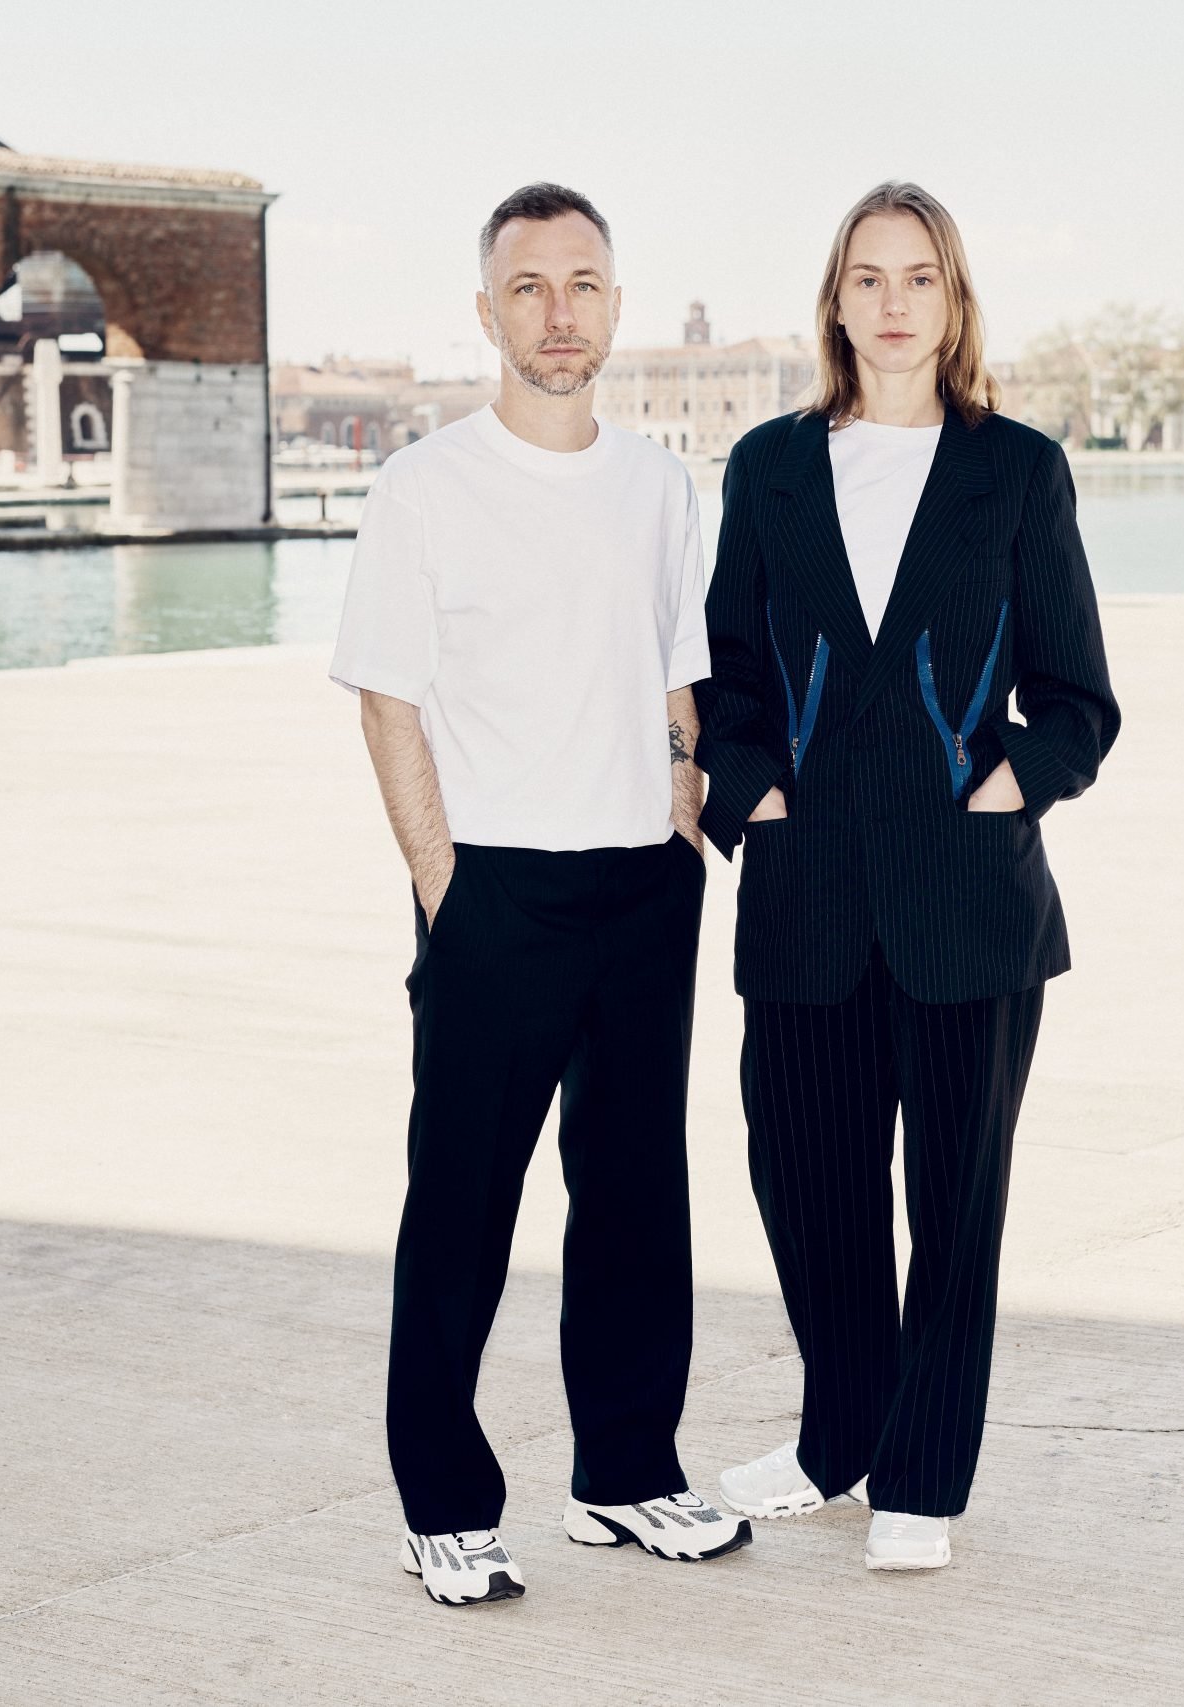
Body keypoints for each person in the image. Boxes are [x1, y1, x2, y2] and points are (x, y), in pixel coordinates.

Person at [330, 182, 752, 1609]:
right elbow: (387, 706)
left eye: (583, 285)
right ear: (487, 311)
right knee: (461, 1208)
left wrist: (684, 803)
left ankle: (627, 1474)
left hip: (644, 883)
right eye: (530, 287)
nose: (558, 313)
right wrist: (448, 890)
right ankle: (442, 1504)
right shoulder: (423, 488)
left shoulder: (657, 486)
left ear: (616, 306)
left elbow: (677, 663)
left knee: (637, 1196)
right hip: (496, 888)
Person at [694, 182, 1120, 1572]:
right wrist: (751, 802)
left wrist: (1008, 787)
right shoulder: (766, 468)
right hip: (805, 896)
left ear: (954, 303)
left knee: (955, 1203)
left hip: (968, 908)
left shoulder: (1019, 470)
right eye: (868, 277)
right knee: (808, 1189)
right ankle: (836, 1442)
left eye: (920, 278)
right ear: (834, 303)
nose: (892, 302)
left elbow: (1077, 699)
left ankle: (920, 1479)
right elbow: (732, 678)